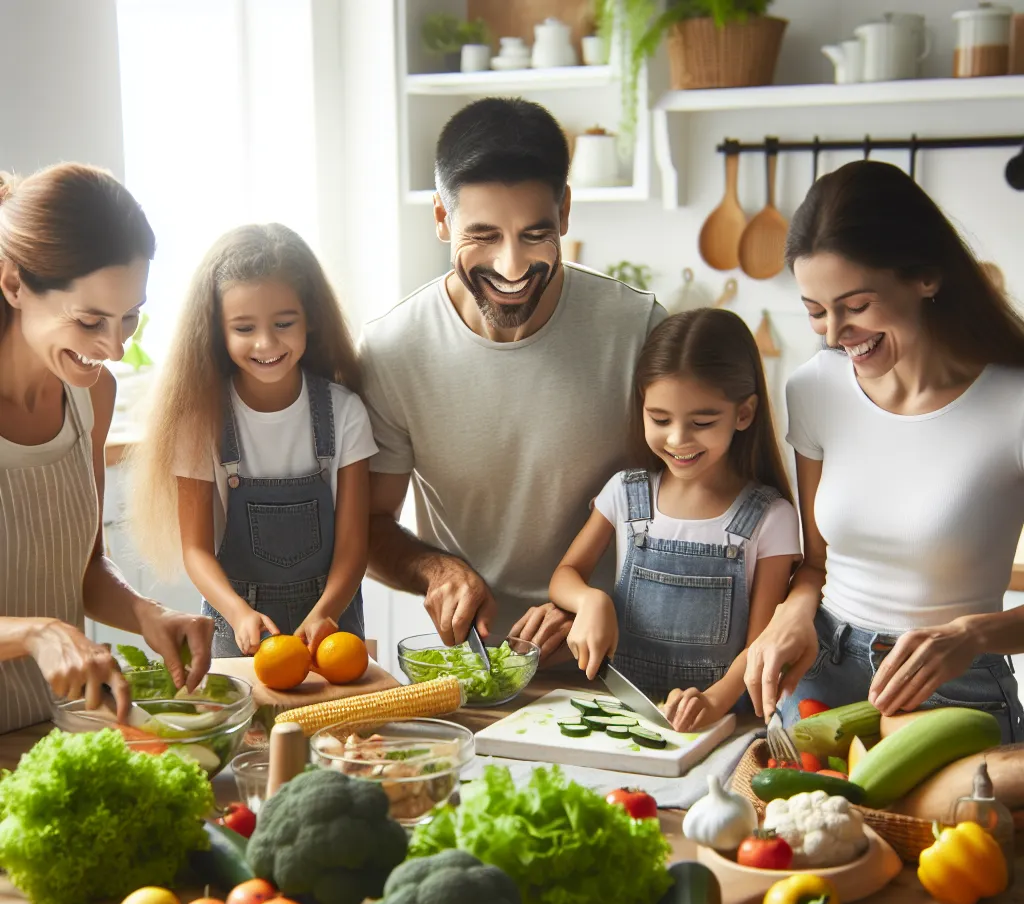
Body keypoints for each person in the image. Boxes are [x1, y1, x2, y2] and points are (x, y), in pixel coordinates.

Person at [360, 97, 666, 661]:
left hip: (613, 652)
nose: (511, 268)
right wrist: (438, 571)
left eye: (533, 234)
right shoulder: (392, 350)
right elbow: (368, 526)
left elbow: (689, 502)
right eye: (482, 235)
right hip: (471, 663)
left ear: (565, 212)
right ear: (440, 219)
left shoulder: (637, 330)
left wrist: (589, 600)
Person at [744, 160, 1024, 744]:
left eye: (857, 305)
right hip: (820, 675)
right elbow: (815, 565)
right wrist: (794, 612)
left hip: (954, 691)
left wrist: (971, 635)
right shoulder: (816, 387)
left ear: (925, 276)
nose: (832, 334)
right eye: (816, 311)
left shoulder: (1013, 402)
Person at [0, 163, 213, 730]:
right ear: (14, 284)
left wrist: (147, 613)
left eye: (130, 319)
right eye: (90, 319)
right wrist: (34, 633)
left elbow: (86, 567)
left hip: (55, 728)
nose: (114, 348)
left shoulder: (91, 396)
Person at [131, 224, 375, 658]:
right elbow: (196, 551)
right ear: (217, 330)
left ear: (310, 318)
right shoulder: (200, 424)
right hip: (234, 624)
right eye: (244, 328)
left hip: (331, 620)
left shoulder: (345, 412)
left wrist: (326, 611)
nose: (266, 343)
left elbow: (354, 546)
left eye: (284, 323)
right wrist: (239, 612)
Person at [550, 309, 801, 729]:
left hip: (719, 721)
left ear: (744, 414)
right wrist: (591, 600)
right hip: (621, 715)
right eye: (660, 419)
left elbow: (759, 645)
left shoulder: (771, 517)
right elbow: (566, 574)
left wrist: (715, 700)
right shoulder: (625, 493)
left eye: (702, 422)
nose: (678, 439)